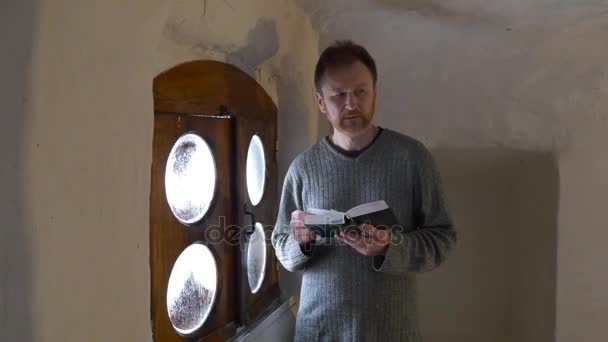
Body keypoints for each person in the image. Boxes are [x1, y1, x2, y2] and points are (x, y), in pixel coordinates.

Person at [271, 40, 456, 341]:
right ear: (320, 102)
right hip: (319, 331)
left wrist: (388, 247)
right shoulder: (302, 168)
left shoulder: (412, 157)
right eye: (338, 95)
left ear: (375, 93)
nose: (351, 104)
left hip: (391, 329)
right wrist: (301, 242)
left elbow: (442, 238)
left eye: (360, 92)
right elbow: (282, 246)